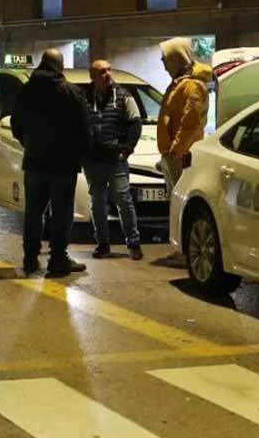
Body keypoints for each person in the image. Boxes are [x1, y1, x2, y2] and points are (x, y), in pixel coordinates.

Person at [11, 48, 90, 275]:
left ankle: (30, 259)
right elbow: (85, 128)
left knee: (33, 212)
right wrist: (81, 154)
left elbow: (16, 124)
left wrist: (29, 144)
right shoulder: (71, 91)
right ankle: (58, 260)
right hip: (63, 164)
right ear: (60, 66)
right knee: (62, 212)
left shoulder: (26, 91)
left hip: (34, 161)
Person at [157, 37, 212, 266]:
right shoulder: (180, 83)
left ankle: (185, 251)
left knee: (182, 203)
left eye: (165, 58)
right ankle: (180, 248)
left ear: (176, 58)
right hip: (174, 154)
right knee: (176, 202)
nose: (162, 62)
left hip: (182, 155)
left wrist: (176, 150)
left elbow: (190, 122)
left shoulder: (191, 86)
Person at [83, 59, 144, 261]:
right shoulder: (85, 98)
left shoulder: (124, 96)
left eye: (109, 70)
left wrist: (126, 150)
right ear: (93, 76)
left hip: (116, 159)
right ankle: (102, 244)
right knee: (98, 202)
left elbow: (135, 123)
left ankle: (133, 243)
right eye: (102, 72)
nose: (107, 74)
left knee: (123, 200)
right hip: (93, 161)